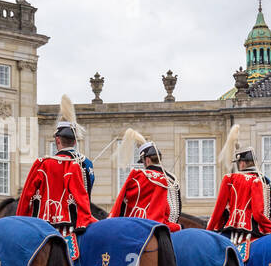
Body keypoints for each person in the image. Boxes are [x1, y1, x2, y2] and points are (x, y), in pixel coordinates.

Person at [18, 96, 95, 235]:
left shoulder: (43, 164)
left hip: (44, 224)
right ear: (75, 142)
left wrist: (21, 218)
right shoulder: (86, 163)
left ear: (57, 140)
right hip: (78, 224)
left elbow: (26, 195)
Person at [206, 124, 271, 255]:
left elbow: (219, 209)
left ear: (241, 163)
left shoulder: (230, 178)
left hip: (232, 231)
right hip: (256, 230)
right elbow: (261, 213)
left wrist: (209, 229)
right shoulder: (264, 180)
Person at [110, 128, 181, 231]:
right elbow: (176, 210)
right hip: (171, 228)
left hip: (144, 226)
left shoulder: (139, 176)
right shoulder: (172, 179)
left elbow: (124, 202)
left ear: (147, 160)